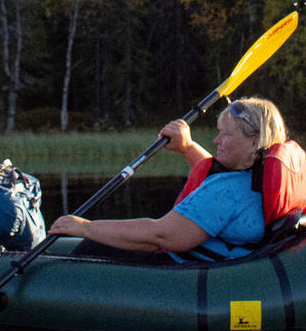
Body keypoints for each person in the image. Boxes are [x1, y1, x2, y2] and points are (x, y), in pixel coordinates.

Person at [47, 97, 289, 260]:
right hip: (225, 259)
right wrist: (187, 147)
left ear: (254, 142)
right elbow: (217, 178)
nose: (216, 141)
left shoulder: (227, 191)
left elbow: (160, 235)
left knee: (94, 246)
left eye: (225, 135)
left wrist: (85, 227)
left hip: (187, 272)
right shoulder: (254, 179)